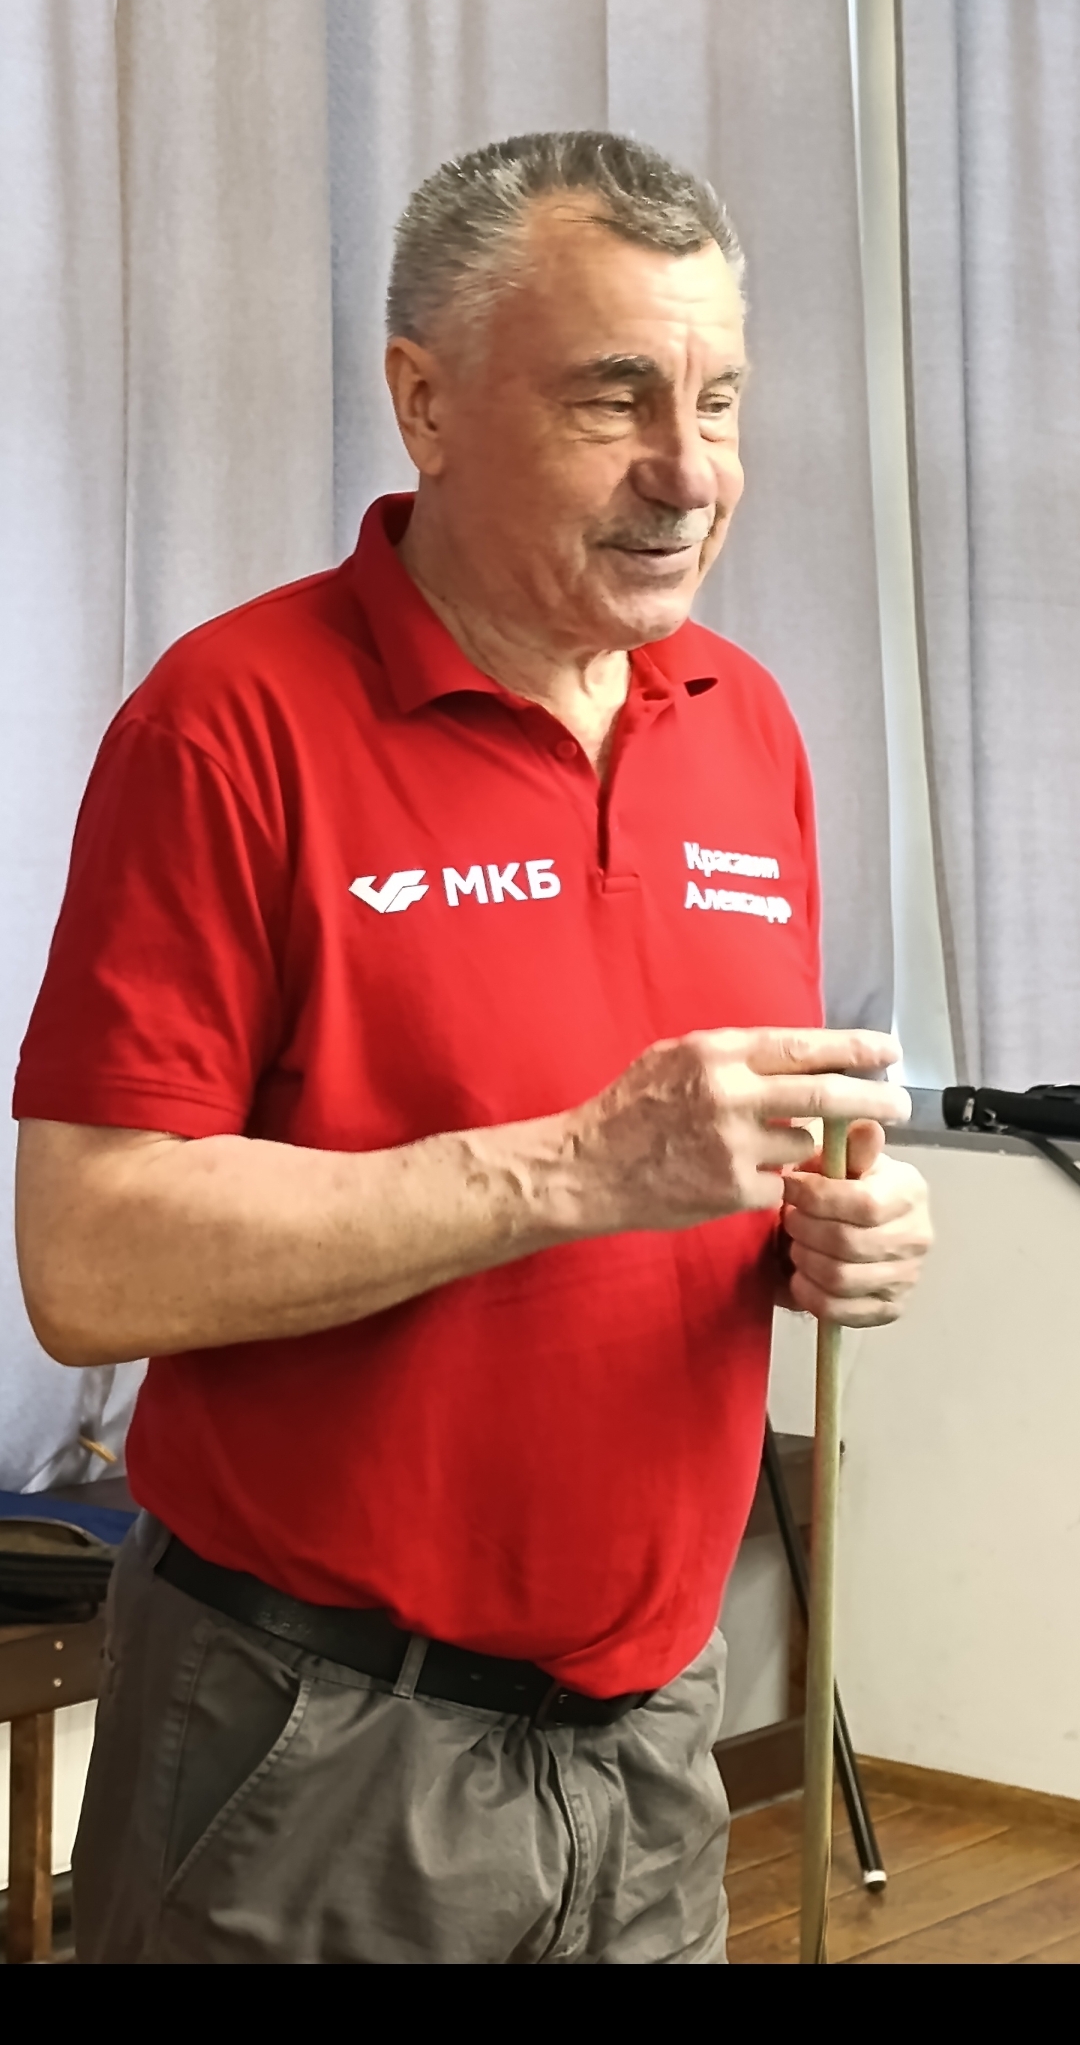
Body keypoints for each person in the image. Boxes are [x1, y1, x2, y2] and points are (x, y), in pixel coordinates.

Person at [14, 131, 931, 1965]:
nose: (691, 472)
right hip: (314, 1740)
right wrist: (575, 1166)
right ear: (423, 403)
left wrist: (827, 1229)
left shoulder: (747, 724)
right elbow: (89, 1263)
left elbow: (690, 1174)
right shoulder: (228, 724)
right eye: (614, 398)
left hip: (654, 1742)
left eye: (719, 402)